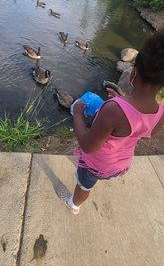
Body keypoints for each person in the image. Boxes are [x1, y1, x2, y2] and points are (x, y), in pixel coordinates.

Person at [64, 29, 164, 215]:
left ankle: (73, 204)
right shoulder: (161, 111)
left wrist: (77, 112)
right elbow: (145, 132)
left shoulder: (113, 109)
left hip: (97, 166)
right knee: (95, 176)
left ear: (133, 73)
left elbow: (87, 145)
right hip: (122, 165)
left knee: (83, 186)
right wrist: (123, 100)